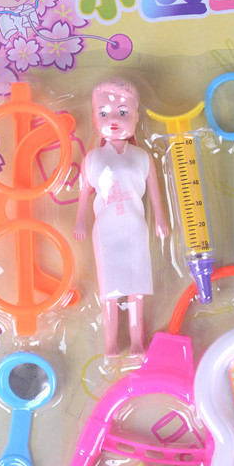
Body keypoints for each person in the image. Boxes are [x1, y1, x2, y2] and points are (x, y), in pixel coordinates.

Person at [74, 79, 169, 357]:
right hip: (105, 231)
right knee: (110, 288)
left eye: (123, 112)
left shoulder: (142, 157)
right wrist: (80, 220)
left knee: (136, 286)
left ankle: (138, 341)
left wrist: (161, 219)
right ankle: (111, 343)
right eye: (103, 113)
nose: (113, 120)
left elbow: (155, 193)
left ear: (136, 117)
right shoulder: (92, 158)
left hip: (135, 228)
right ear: (95, 118)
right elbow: (84, 192)